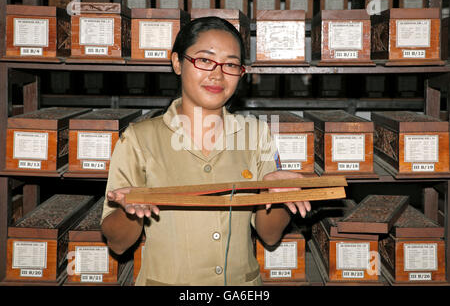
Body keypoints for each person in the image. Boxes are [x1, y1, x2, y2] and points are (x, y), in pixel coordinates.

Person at [100, 16, 311, 286]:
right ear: (177, 62)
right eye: (205, 60)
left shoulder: (257, 135)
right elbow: (118, 244)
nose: (218, 74)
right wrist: (131, 211)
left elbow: (269, 236)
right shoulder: (138, 140)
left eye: (231, 64)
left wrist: (276, 197)